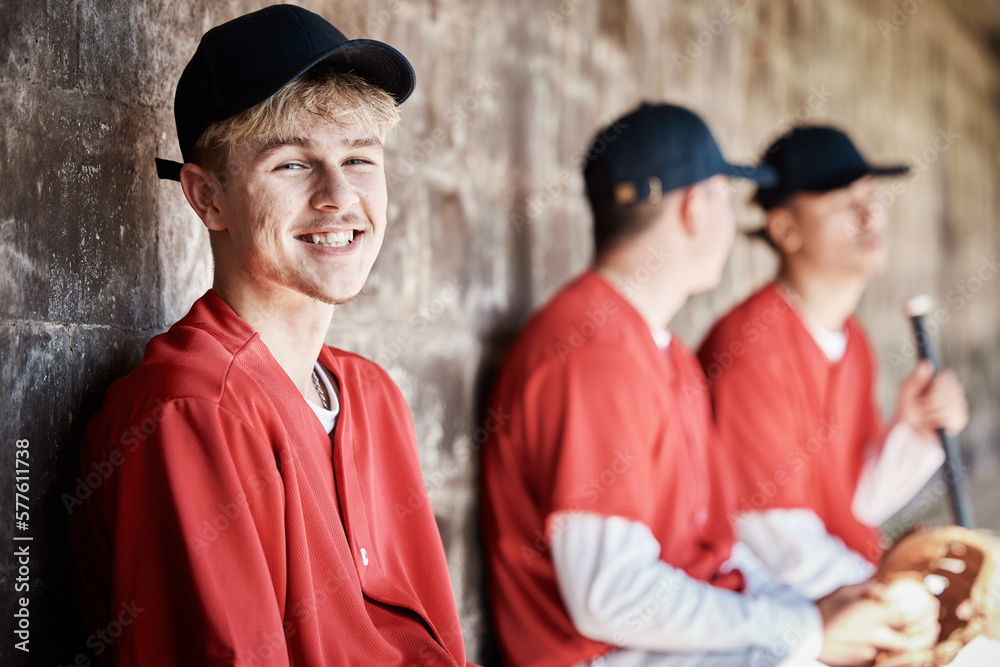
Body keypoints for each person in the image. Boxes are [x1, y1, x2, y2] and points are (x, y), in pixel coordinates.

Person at [68, 6, 468, 665]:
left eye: (360, 158)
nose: (339, 195)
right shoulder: (190, 412)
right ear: (209, 198)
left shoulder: (371, 393)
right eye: (291, 165)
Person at [479, 103, 936, 667]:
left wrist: (825, 606)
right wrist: (803, 629)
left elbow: (719, 552)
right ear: (696, 207)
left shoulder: (661, 350)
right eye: (725, 194)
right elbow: (611, 598)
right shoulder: (591, 351)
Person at [697, 126, 969, 600]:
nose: (869, 215)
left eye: (870, 195)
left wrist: (915, 432)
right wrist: (889, 599)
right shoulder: (750, 346)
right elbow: (772, 538)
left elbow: (856, 505)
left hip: (835, 586)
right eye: (843, 203)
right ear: (785, 229)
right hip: (772, 610)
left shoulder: (854, 342)